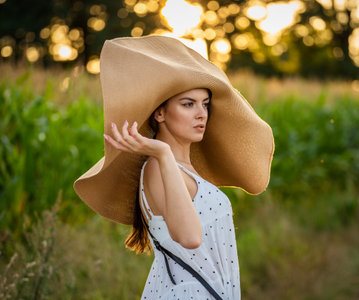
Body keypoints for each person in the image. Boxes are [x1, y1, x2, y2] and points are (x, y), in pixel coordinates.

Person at [73, 35, 274, 300]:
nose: (201, 113)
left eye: (205, 104)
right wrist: (163, 152)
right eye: (188, 104)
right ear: (160, 113)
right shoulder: (159, 167)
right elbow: (190, 237)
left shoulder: (181, 168)